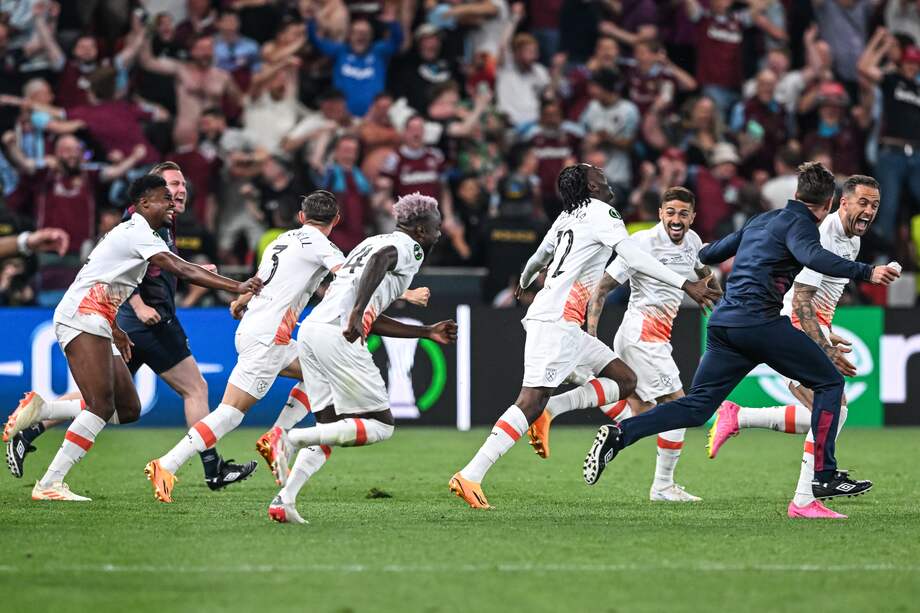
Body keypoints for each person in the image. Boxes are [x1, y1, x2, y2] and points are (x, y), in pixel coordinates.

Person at [582, 163, 900, 519]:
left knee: (697, 407)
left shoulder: (761, 220)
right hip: (760, 323)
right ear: (828, 204)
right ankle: (823, 476)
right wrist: (867, 271)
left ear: (796, 194)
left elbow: (709, 254)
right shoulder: (802, 226)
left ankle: (621, 433)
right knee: (829, 383)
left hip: (723, 325)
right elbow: (813, 256)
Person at [448, 164, 721, 509]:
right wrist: (685, 285)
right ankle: (471, 474)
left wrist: (526, 279)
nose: (604, 177)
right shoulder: (603, 213)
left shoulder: (567, 216)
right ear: (591, 187)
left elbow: (539, 256)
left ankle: (551, 409)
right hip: (556, 322)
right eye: (597, 175)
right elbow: (632, 256)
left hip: (566, 323)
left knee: (625, 380)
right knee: (530, 401)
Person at [4, 162, 254, 489]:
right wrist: (237, 286)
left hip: (105, 319)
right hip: (91, 316)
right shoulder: (137, 230)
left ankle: (39, 416)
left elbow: (110, 280)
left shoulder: (150, 230)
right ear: (145, 202)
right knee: (112, 402)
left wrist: (117, 328)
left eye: (179, 188)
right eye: (168, 192)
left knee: (127, 408)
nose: (175, 198)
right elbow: (179, 268)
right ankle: (50, 481)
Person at [263, 193, 457, 524]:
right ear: (421, 229)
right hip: (338, 335)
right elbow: (382, 261)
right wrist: (356, 313)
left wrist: (426, 332)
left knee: (329, 429)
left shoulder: (371, 241)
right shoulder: (408, 248)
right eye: (437, 227)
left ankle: (285, 500)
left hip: (312, 330)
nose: (440, 233)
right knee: (380, 426)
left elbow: (372, 314)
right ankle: (289, 438)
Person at [707, 176, 884, 516]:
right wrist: (823, 345)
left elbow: (821, 299)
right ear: (841, 203)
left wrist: (826, 332)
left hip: (809, 325)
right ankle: (804, 499)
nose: (869, 210)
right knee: (834, 408)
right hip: (788, 325)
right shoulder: (822, 235)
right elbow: (801, 301)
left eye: (874, 205)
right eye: (863, 202)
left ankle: (740, 416)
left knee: (828, 413)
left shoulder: (853, 240)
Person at [528, 187, 716, 502]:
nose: (676, 219)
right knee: (681, 407)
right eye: (670, 212)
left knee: (642, 410)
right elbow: (601, 288)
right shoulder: (640, 243)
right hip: (642, 335)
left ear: (693, 217)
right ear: (660, 213)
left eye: (683, 214)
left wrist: (718, 293)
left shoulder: (693, 241)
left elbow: (703, 272)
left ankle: (573, 390)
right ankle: (662, 485)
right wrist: (590, 334)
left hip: (658, 335)